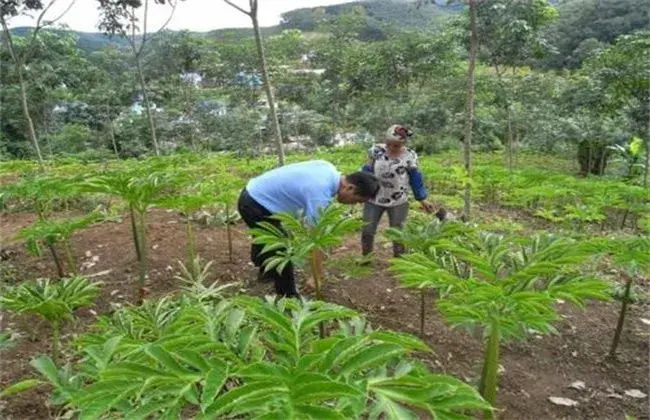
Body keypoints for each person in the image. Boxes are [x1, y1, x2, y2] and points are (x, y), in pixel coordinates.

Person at [237, 160, 380, 298]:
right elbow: (315, 239)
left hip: (257, 192)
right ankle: (288, 296)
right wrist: (317, 276)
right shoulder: (320, 193)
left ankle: (267, 272)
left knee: (268, 238)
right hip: (254, 203)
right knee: (283, 248)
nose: (354, 205)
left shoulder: (328, 168)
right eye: (357, 200)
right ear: (350, 188)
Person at [361, 124, 437, 258]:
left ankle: (400, 260)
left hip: (398, 200)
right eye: (389, 144)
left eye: (396, 145)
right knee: (367, 229)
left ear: (403, 143)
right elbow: (367, 170)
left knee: (398, 233)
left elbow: (415, 178)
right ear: (386, 141)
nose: (392, 148)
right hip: (374, 198)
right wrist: (362, 191)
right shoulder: (376, 150)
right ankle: (366, 257)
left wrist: (422, 199)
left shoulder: (410, 156)